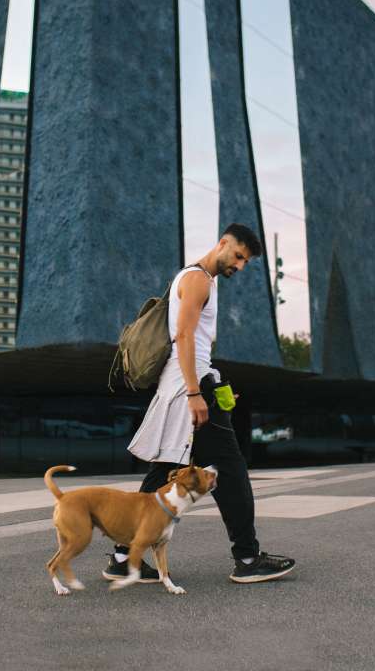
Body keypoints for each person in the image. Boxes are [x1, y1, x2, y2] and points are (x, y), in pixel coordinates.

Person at [104, 223, 296, 584]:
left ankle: (121, 556)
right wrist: (195, 392)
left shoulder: (204, 280)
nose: (239, 266)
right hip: (185, 388)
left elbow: (198, 343)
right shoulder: (198, 280)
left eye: (245, 262)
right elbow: (185, 336)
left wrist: (212, 385)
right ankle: (248, 558)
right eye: (238, 256)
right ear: (222, 243)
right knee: (231, 470)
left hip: (188, 383)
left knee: (164, 471)